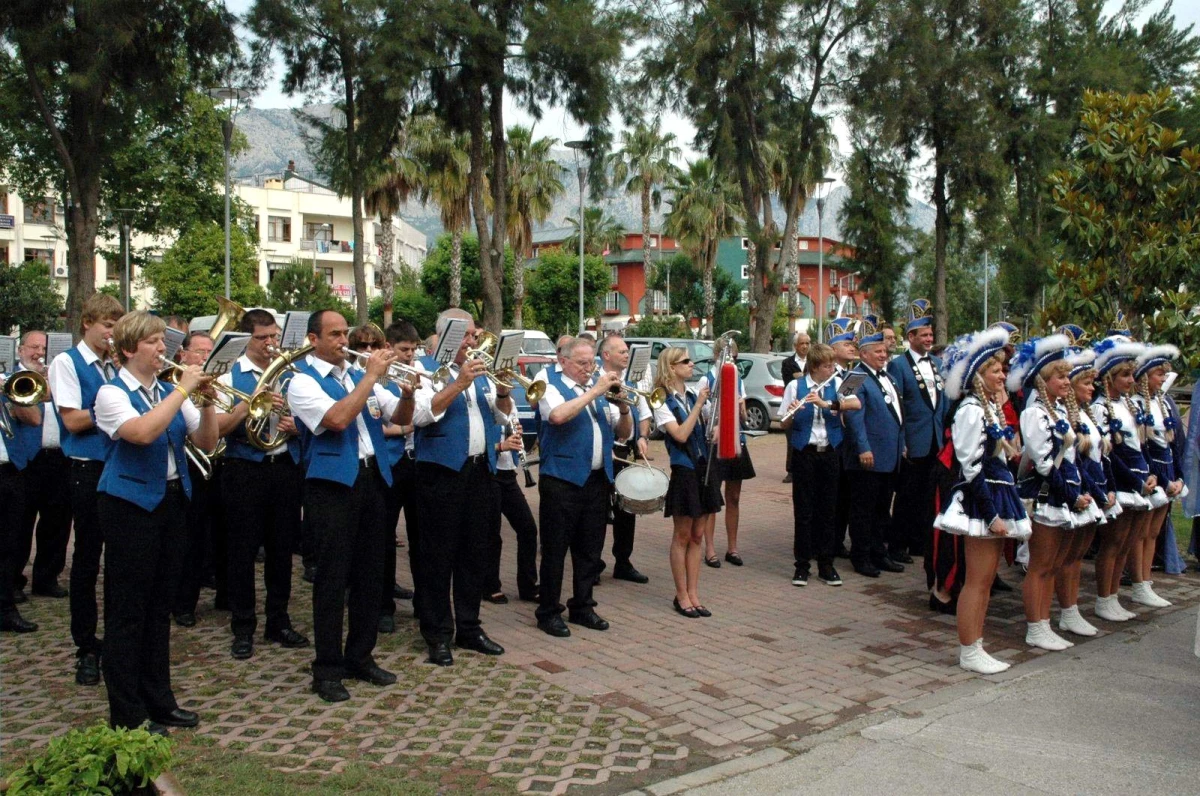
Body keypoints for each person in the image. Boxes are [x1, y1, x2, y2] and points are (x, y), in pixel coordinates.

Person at [94, 311, 218, 733]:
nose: (163, 348)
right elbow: (143, 433)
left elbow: (206, 442)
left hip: (169, 501)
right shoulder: (112, 394)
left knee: (158, 608)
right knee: (128, 612)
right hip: (128, 505)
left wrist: (206, 401)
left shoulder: (167, 390)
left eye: (162, 341)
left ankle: (159, 699)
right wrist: (183, 390)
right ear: (129, 349)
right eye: (152, 342)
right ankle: (127, 714)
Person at [288, 310, 409, 702]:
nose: (343, 341)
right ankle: (326, 669)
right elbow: (337, 420)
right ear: (313, 340)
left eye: (345, 333)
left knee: (371, 575)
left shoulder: (357, 376)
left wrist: (407, 393)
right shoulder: (302, 382)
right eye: (335, 334)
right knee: (332, 580)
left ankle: (361, 656)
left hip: (373, 479)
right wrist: (372, 377)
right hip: (332, 486)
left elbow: (403, 421)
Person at [411, 309, 511, 665]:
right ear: (447, 335)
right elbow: (419, 416)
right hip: (441, 471)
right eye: (467, 336)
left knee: (474, 553)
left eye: (474, 336)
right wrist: (458, 384)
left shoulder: (479, 369)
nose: (473, 342)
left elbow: (501, 415)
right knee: (438, 556)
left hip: (479, 470)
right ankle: (437, 633)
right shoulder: (423, 368)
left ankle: (469, 627)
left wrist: (502, 392)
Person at [934, 327, 1031, 674]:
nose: (1003, 375)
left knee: (986, 578)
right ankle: (968, 649)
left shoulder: (988, 408)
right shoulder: (971, 411)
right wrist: (990, 514)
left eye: (1004, 369)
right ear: (979, 375)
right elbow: (970, 466)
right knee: (977, 579)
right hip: (980, 497)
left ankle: (976, 644)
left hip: (993, 491)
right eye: (996, 370)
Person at [215, 310, 308, 659]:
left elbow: (311, 415)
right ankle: (242, 626)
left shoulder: (291, 374)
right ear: (246, 339)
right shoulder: (229, 376)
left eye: (274, 337)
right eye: (262, 338)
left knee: (282, 549)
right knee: (241, 550)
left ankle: (278, 621)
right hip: (244, 467)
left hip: (283, 465)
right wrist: (249, 404)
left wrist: (294, 423)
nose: (270, 344)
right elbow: (219, 428)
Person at [47, 292, 125, 686]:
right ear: (87, 324)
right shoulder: (67, 362)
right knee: (87, 559)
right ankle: (86, 646)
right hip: (87, 467)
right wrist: (113, 407)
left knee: (119, 560)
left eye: (116, 326)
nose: (112, 333)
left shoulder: (116, 365)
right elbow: (73, 420)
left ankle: (116, 641)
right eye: (107, 326)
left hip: (118, 465)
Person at [1011, 334, 1104, 651]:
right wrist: (1071, 495)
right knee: (1041, 565)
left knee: (1054, 564)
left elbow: (1074, 459)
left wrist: (1085, 491)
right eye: (1061, 377)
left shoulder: (1059, 412)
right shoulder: (1034, 413)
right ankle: (1035, 627)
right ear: (1042, 380)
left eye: (1067, 376)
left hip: (1064, 495)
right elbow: (1044, 463)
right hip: (1046, 496)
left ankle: (1047, 622)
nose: (1067, 381)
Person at [534, 337, 630, 637]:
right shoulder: (549, 384)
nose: (589, 369)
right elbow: (558, 416)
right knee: (555, 549)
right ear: (563, 362)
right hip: (561, 479)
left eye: (592, 363)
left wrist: (624, 408)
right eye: (582, 363)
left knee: (590, 549)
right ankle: (548, 611)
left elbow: (623, 435)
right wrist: (596, 390)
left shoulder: (599, 392)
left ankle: (583, 606)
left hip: (596, 480)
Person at [1090, 336, 1159, 621]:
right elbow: (1109, 454)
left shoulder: (1128, 406)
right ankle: (1103, 598)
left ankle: (1114, 595)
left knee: (1128, 540)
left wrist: (1151, 473)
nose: (1132, 380)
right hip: (1120, 483)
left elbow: (1140, 446)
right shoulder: (1100, 408)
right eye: (1126, 375)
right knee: (1113, 541)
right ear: (1110, 377)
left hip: (1139, 481)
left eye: (1132, 374)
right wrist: (1132, 479)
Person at [779, 343, 859, 587]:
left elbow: (856, 404)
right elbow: (783, 423)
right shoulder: (796, 386)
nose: (831, 369)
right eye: (827, 366)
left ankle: (827, 565)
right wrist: (793, 412)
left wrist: (829, 405)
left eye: (832, 364)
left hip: (830, 453)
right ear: (814, 367)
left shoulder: (837, 384)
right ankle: (802, 565)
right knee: (804, 511)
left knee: (828, 510)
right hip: (805, 454)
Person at [654, 347, 719, 618]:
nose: (692, 364)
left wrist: (714, 430)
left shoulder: (691, 393)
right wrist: (697, 407)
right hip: (683, 469)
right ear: (671, 367)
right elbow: (680, 434)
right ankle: (681, 595)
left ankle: (694, 593)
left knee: (697, 535)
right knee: (682, 535)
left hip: (704, 465)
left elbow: (700, 428)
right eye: (685, 361)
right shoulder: (661, 400)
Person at [1057, 347, 1115, 638]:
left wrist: (1104, 489)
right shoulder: (1066, 416)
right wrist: (1083, 490)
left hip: (1088, 489)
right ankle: (1067, 611)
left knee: (1078, 555)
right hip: (1073, 490)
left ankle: (1073, 609)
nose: (1092, 388)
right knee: (1068, 556)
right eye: (1086, 383)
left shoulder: (1084, 414)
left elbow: (1097, 458)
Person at [11, 331, 71, 601]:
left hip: (58, 455)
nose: (38, 352)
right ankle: (12, 580)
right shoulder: (12, 379)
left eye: (43, 348)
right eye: (33, 347)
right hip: (26, 456)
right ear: (21, 349)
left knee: (57, 521)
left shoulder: (59, 375)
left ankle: (47, 578)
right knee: (20, 523)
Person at [843, 320, 906, 578]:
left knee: (882, 510)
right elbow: (852, 418)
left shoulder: (889, 376)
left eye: (885, 351)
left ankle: (879, 553)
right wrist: (863, 448)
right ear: (864, 354)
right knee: (863, 510)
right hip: (868, 456)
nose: (883, 355)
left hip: (890, 456)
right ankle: (861, 556)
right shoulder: (854, 377)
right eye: (878, 351)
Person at [888, 299, 946, 565]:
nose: (929, 338)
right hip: (913, 439)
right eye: (924, 334)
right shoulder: (898, 365)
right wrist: (902, 441)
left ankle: (920, 542)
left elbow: (941, 401)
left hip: (935, 438)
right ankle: (898, 544)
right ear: (910, 336)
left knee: (927, 494)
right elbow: (897, 405)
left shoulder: (936, 362)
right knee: (907, 496)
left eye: (931, 334)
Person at [1129, 343, 1186, 606]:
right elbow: (1143, 446)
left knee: (1154, 531)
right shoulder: (1138, 404)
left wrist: (1178, 477)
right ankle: (1138, 581)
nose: (1163, 379)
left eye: (1164, 375)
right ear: (1144, 376)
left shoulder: (1163, 402)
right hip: (1152, 471)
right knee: (1141, 531)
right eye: (1158, 374)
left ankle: (1146, 580)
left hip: (1168, 469)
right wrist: (1162, 479)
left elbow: (1175, 444)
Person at [171, 331, 221, 627]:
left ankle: (189, 597)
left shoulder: (210, 382)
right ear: (184, 354)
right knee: (186, 537)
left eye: (209, 352)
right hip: (185, 465)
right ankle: (181, 602)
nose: (205, 357)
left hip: (208, 463)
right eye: (200, 351)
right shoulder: (173, 381)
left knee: (203, 534)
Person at [378, 320, 421, 633]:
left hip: (416, 462)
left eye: (413, 349)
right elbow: (379, 423)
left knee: (421, 536)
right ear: (389, 348)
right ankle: (383, 605)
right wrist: (406, 427)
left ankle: (423, 602)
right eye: (404, 350)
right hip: (391, 462)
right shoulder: (379, 378)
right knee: (384, 536)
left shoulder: (419, 372)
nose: (409, 355)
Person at [599, 334, 651, 584]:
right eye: (621, 351)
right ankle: (593, 563)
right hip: (601, 454)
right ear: (606, 355)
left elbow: (644, 411)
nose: (626, 354)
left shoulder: (630, 382)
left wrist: (643, 436)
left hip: (623, 452)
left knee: (626, 509)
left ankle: (623, 561)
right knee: (598, 511)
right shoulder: (594, 381)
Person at [702, 338, 756, 568]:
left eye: (734, 358)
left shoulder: (738, 380)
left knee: (734, 497)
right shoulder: (708, 379)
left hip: (735, 440)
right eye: (727, 357)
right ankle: (710, 549)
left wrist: (742, 407)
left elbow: (743, 418)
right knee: (713, 497)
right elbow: (704, 413)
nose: (731, 362)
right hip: (715, 444)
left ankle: (732, 548)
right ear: (717, 357)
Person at [485, 412, 539, 603]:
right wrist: (501, 445)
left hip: (508, 474)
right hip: (489, 473)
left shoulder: (510, 405)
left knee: (528, 530)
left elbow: (512, 434)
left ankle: (528, 586)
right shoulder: (488, 400)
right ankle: (490, 585)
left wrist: (517, 434)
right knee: (492, 533)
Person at [1, 366, 38, 632]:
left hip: (9, 469)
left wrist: (9, 394)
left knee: (8, 544)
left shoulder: (7, 383)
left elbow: (34, 418)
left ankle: (5, 609)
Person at [780, 331, 811, 484]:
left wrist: (800, 376)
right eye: (802, 343)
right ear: (795, 346)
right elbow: (788, 380)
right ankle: (790, 470)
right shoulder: (787, 363)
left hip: (810, 404)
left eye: (807, 343)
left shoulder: (813, 361)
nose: (805, 346)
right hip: (793, 404)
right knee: (791, 439)